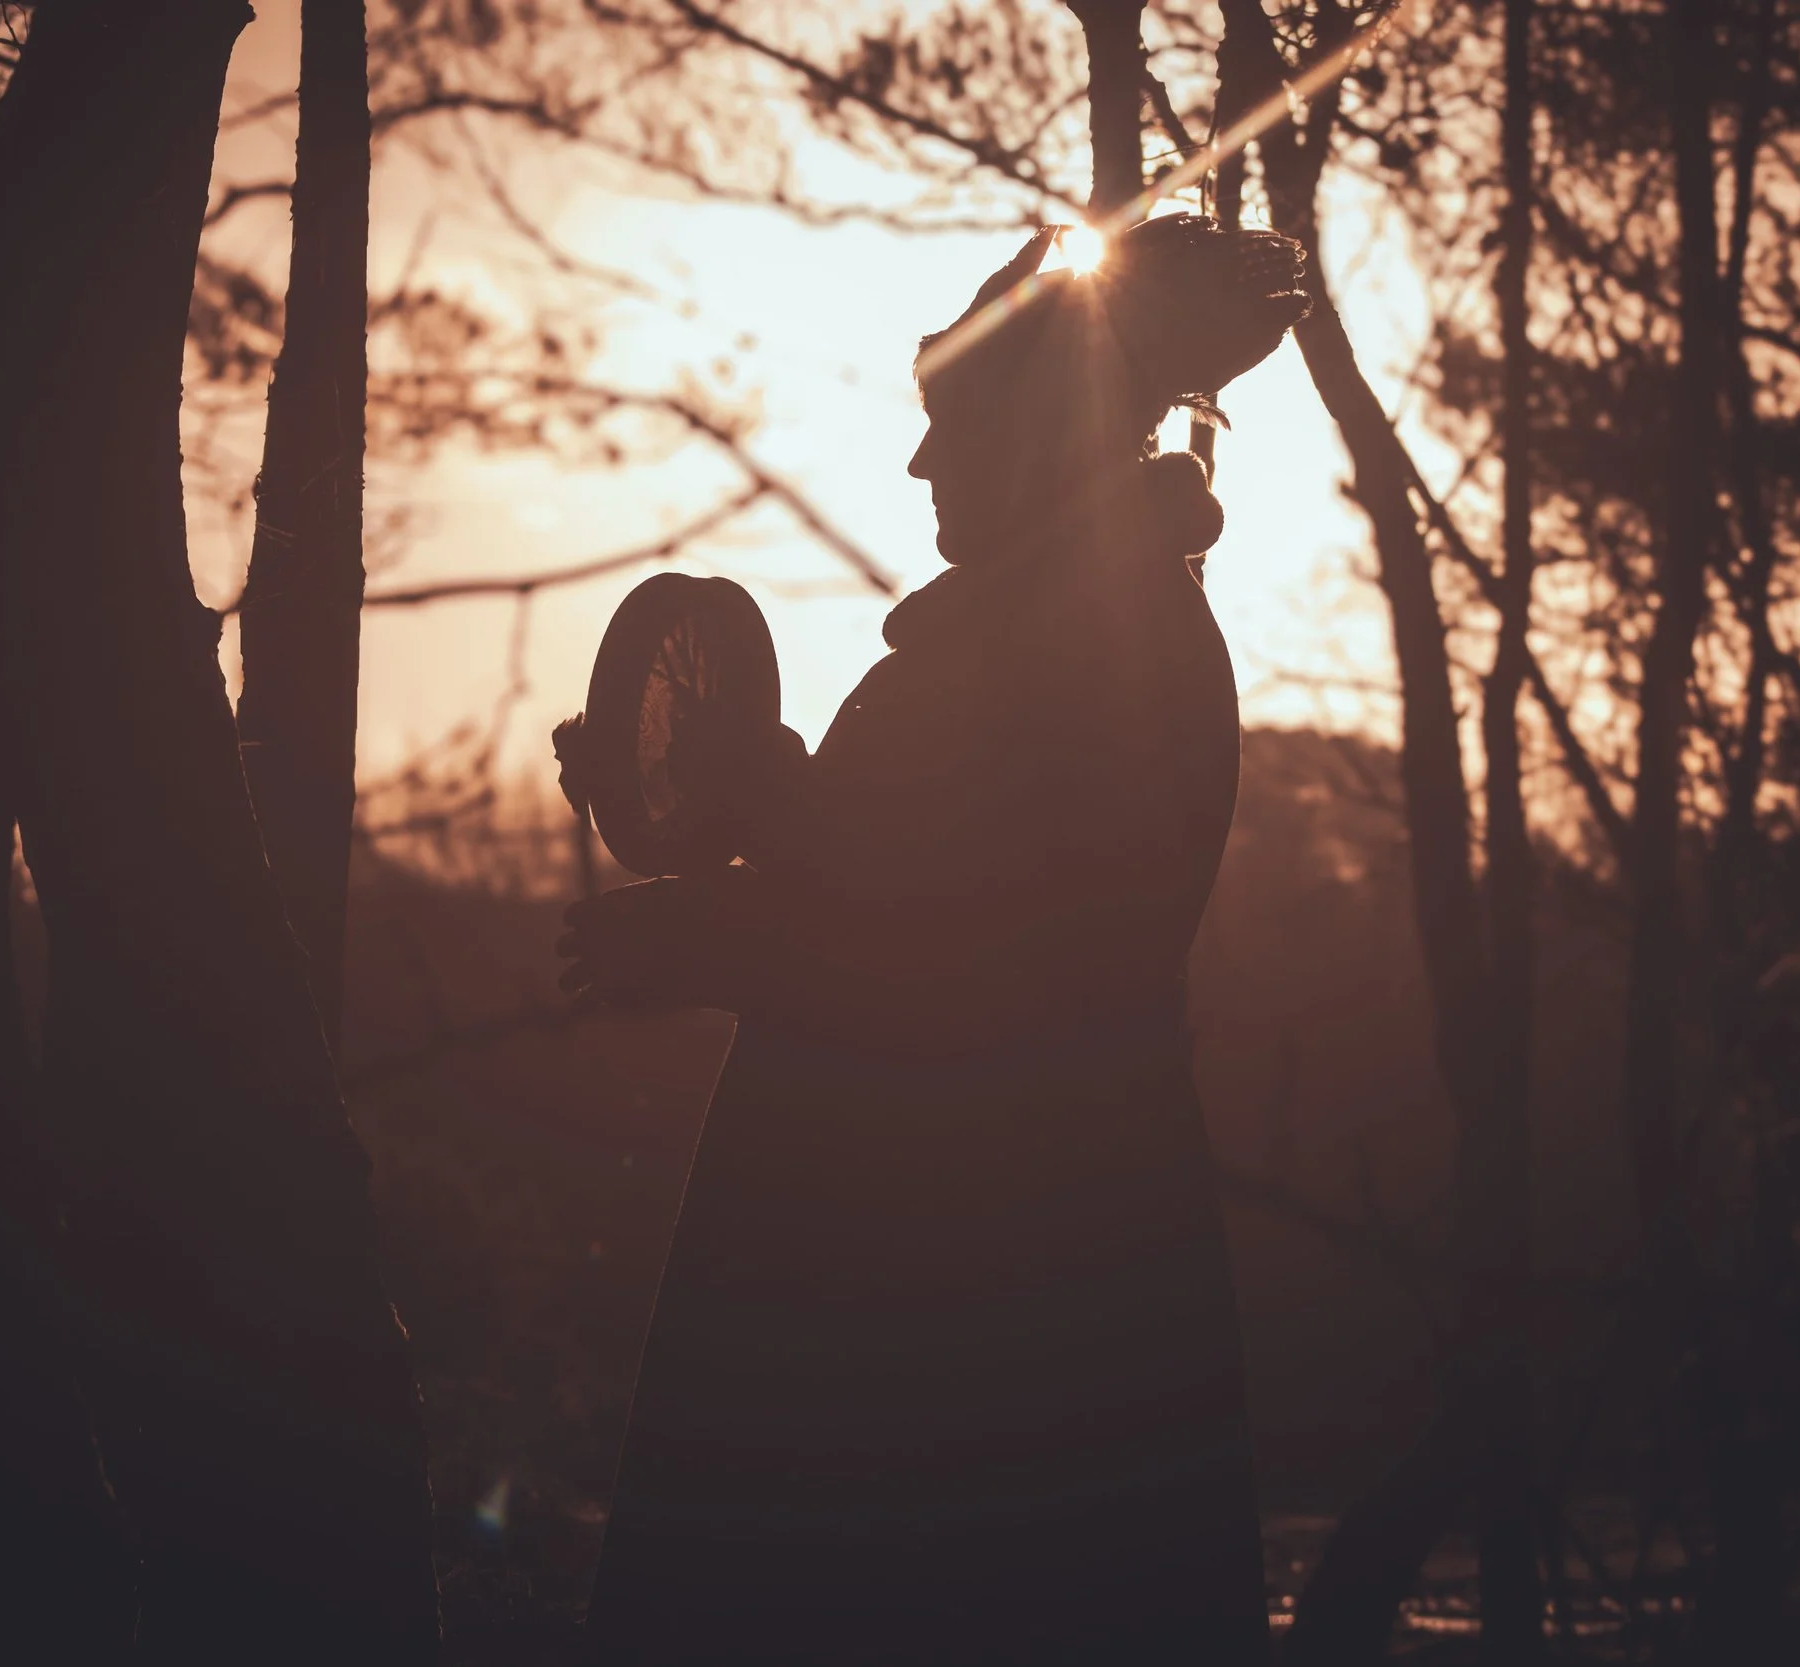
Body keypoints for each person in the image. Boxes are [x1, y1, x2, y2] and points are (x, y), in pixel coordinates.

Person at [557, 215, 1310, 1665]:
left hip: (975, 1313)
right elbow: (901, 893)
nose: (916, 468)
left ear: (1036, 438)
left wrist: (721, 919)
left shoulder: (1110, 644)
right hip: (943, 1278)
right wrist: (718, 823)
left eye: (947, 428)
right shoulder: (1050, 635)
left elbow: (994, 982)